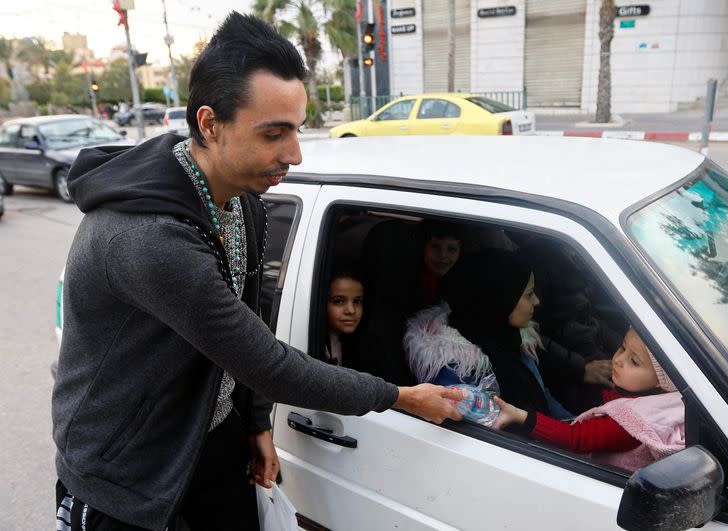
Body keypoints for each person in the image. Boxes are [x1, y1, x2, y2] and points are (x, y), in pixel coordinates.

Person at [52, 12, 462, 531]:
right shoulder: (147, 239)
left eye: (296, 130)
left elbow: (252, 322)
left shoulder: (244, 200)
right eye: (273, 134)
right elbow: (268, 362)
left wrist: (255, 422)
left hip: (211, 434)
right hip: (128, 473)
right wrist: (400, 397)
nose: (293, 153)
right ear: (209, 124)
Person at [405, 249, 610, 421]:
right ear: (498, 300)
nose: (537, 301)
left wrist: (573, 430)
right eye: (529, 294)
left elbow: (544, 398)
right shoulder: (458, 375)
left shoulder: (514, 341)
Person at [492, 327, 685, 472]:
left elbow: (575, 438)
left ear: (661, 382)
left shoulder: (632, 422)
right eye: (622, 347)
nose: (618, 359)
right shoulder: (653, 401)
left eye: (634, 361)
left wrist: (519, 415)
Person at [324, 264, 364, 366]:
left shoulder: (364, 347)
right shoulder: (311, 343)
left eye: (357, 301)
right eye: (339, 301)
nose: (351, 310)